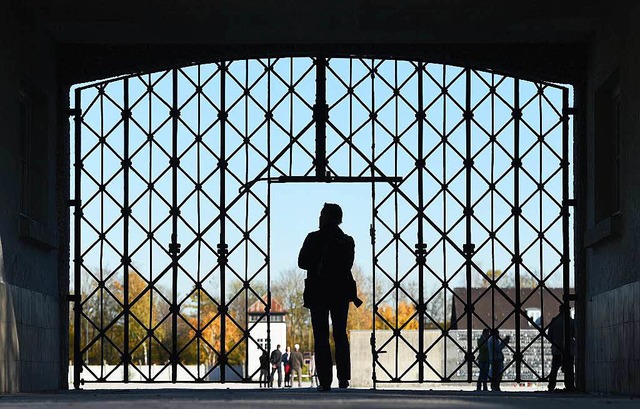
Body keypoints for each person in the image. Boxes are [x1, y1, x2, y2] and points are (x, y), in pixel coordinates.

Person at [298, 203, 362, 392]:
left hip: (318, 292)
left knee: (321, 336)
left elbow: (302, 262)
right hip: (340, 292)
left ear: (326, 217)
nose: (319, 218)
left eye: (321, 214)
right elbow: (347, 265)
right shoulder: (347, 241)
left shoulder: (313, 238)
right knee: (340, 335)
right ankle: (344, 379)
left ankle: (325, 381)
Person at [547, 304, 576, 392]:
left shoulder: (554, 321)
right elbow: (575, 334)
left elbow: (549, 335)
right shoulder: (571, 322)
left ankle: (551, 386)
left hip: (557, 349)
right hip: (568, 349)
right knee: (569, 369)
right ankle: (569, 385)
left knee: (554, 369)